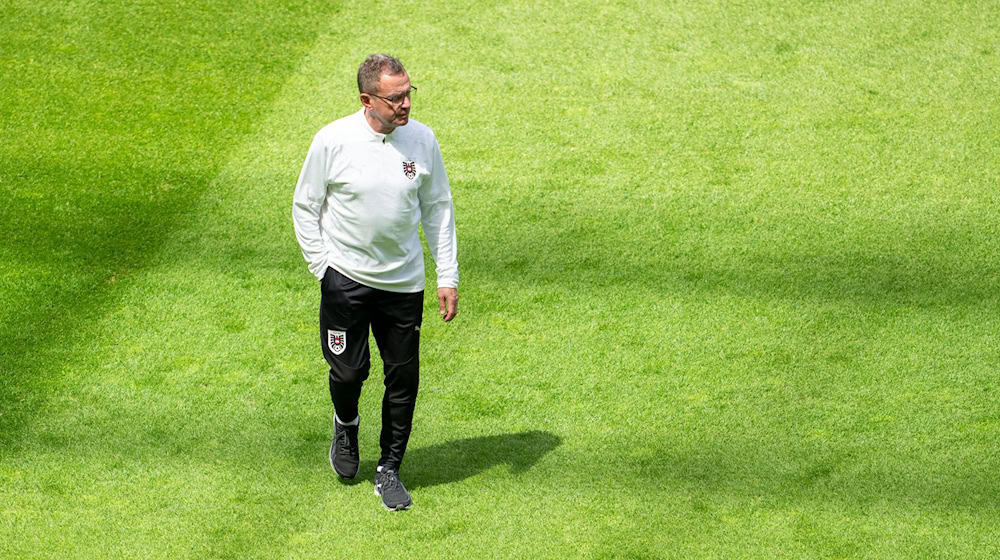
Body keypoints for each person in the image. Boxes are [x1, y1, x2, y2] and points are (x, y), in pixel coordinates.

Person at [292, 53, 458, 511]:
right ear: (367, 100)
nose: (406, 104)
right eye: (395, 97)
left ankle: (389, 468)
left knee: (403, 377)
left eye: (409, 93)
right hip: (345, 281)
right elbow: (305, 206)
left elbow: (438, 208)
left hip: (404, 285)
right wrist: (322, 268)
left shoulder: (422, 141)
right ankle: (346, 425)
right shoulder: (333, 140)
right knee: (348, 372)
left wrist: (447, 275)